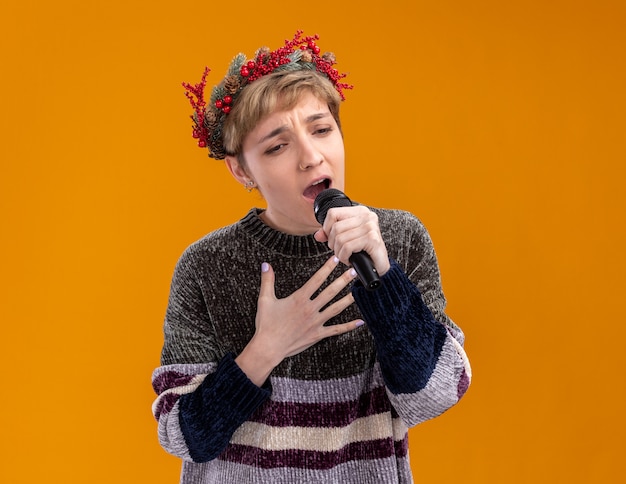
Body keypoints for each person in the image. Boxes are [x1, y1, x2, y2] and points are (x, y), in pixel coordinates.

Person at [151, 30, 471, 484]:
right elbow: (186, 438)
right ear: (241, 169)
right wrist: (266, 348)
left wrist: (382, 276)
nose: (311, 156)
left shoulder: (397, 240)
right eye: (277, 146)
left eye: (321, 129)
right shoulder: (207, 266)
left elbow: (433, 396)